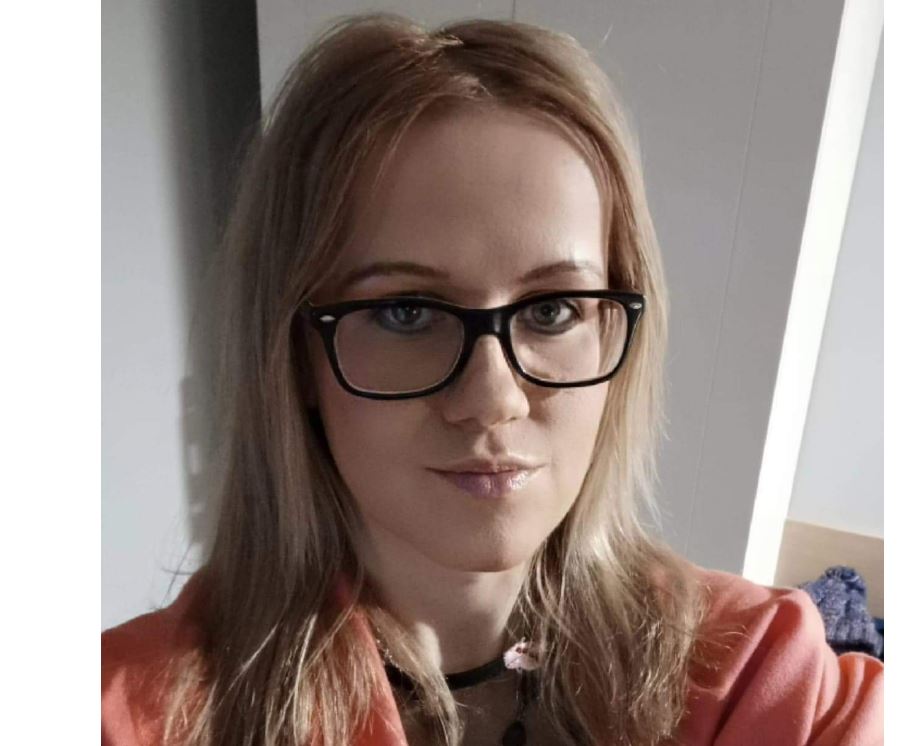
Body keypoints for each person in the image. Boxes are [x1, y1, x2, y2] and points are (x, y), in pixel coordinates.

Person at [101, 13, 883, 746]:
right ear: (295, 352)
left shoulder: (759, 674)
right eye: (408, 312)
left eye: (551, 311)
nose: (492, 400)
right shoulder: (126, 711)